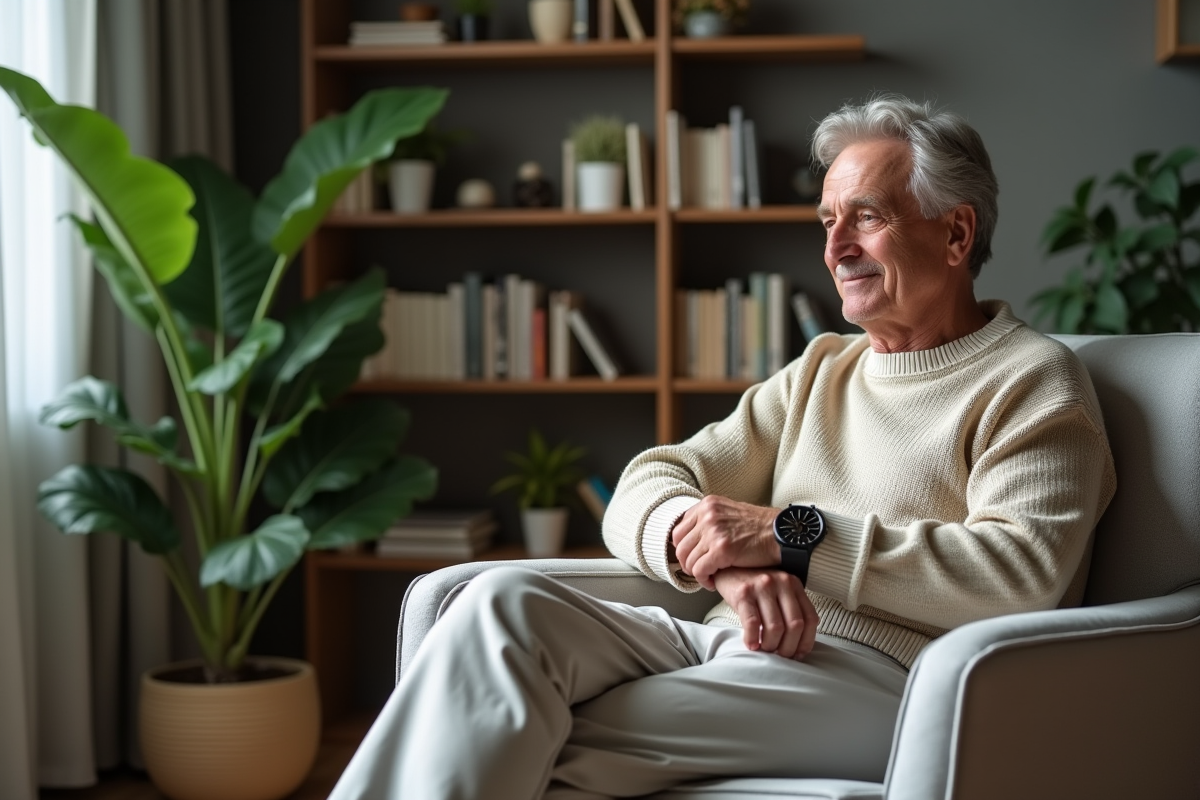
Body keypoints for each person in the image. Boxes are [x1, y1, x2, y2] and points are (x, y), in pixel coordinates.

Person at [328, 95, 1116, 799]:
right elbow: (650, 480)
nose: (836, 247)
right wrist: (732, 567)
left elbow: (1020, 575)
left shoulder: (1032, 380)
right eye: (827, 221)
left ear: (956, 233)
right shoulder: (821, 370)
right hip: (727, 634)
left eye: (866, 217)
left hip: (889, 681)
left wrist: (789, 536)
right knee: (497, 604)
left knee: (520, 735)